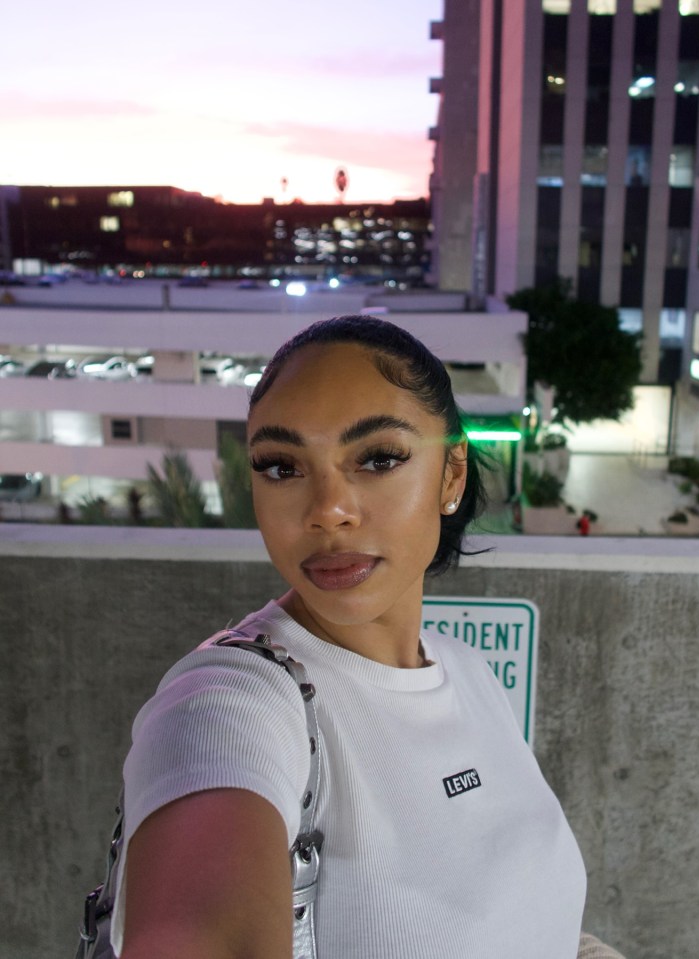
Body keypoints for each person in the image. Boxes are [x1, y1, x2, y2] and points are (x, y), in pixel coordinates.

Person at [113, 315, 592, 958]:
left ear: (451, 474)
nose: (327, 509)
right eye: (281, 467)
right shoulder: (225, 701)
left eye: (378, 458)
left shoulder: (472, 675)